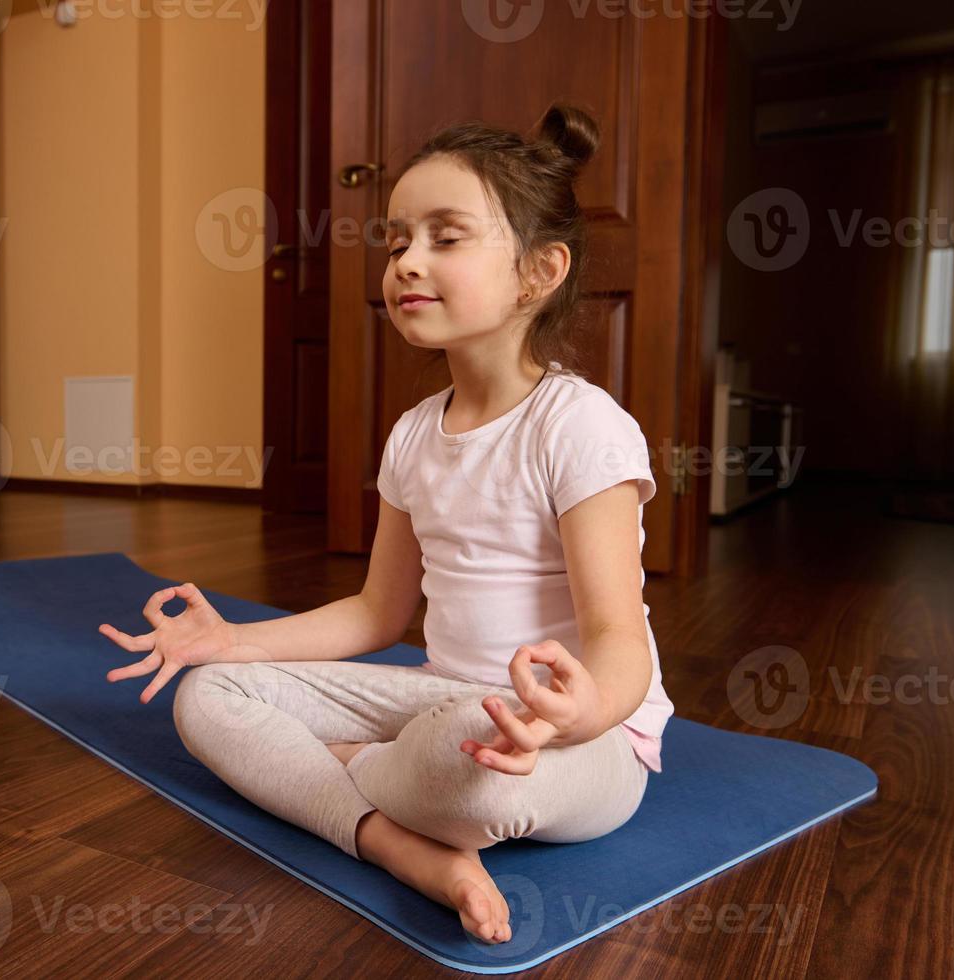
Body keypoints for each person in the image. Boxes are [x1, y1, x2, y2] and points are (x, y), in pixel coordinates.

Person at [98, 103, 674, 946]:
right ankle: (397, 844)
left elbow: (619, 636)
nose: (407, 261)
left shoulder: (580, 427)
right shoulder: (413, 434)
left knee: (470, 768)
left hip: (565, 744)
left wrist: (578, 715)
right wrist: (233, 645)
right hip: (439, 710)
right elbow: (376, 613)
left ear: (538, 271)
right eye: (398, 240)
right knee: (208, 698)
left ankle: (354, 787)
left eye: (445, 237)